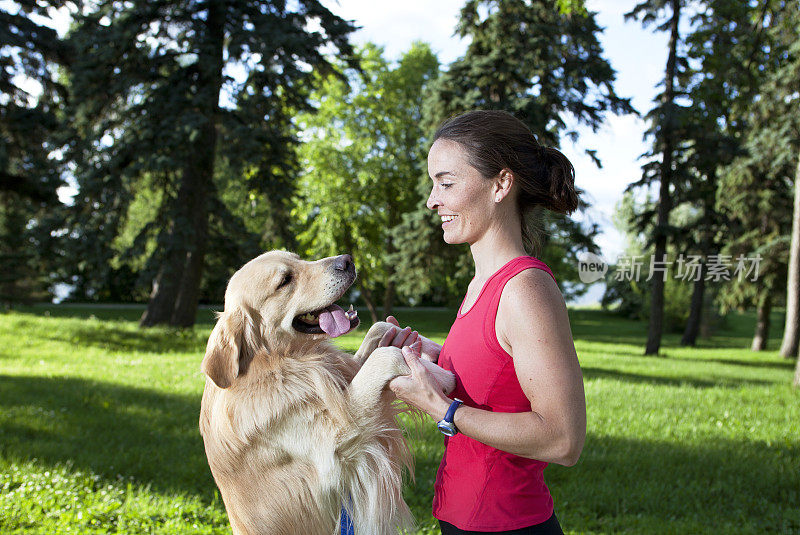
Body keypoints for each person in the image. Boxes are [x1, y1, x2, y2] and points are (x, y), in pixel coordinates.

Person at [380, 110, 586, 535]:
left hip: (507, 526)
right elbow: (497, 377)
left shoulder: (526, 289)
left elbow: (563, 439)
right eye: (433, 184)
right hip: (462, 518)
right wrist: (432, 359)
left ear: (501, 184)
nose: (432, 200)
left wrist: (441, 408)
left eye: (447, 183)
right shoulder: (482, 284)